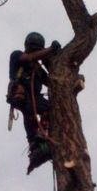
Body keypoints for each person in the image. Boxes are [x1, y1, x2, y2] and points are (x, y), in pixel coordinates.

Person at [7, 32, 61, 173]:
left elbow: (50, 81)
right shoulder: (17, 55)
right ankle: (35, 143)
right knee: (30, 110)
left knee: (50, 109)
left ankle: (41, 139)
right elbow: (28, 58)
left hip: (34, 97)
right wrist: (50, 49)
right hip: (21, 94)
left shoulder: (37, 68)